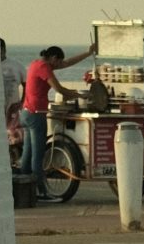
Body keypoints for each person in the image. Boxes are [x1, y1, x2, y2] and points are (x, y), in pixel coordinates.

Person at [21, 30, 99, 184]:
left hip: (27, 112)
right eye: (58, 62)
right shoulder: (44, 67)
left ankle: (25, 188)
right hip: (36, 114)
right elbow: (59, 89)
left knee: (27, 154)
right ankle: (41, 188)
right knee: (38, 155)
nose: (59, 66)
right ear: (53, 58)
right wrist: (80, 95)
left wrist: (88, 53)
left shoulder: (36, 63)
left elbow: (68, 62)